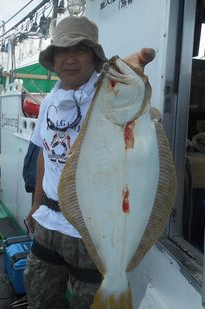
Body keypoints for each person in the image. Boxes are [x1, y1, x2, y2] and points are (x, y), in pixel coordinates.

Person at [23, 16, 155, 309]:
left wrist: (135, 69)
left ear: (94, 58)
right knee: (39, 291)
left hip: (92, 230)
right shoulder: (49, 100)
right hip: (49, 223)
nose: (69, 59)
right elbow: (44, 152)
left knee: (88, 300)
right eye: (61, 51)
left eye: (80, 50)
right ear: (53, 59)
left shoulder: (107, 92)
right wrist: (36, 203)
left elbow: (133, 87)